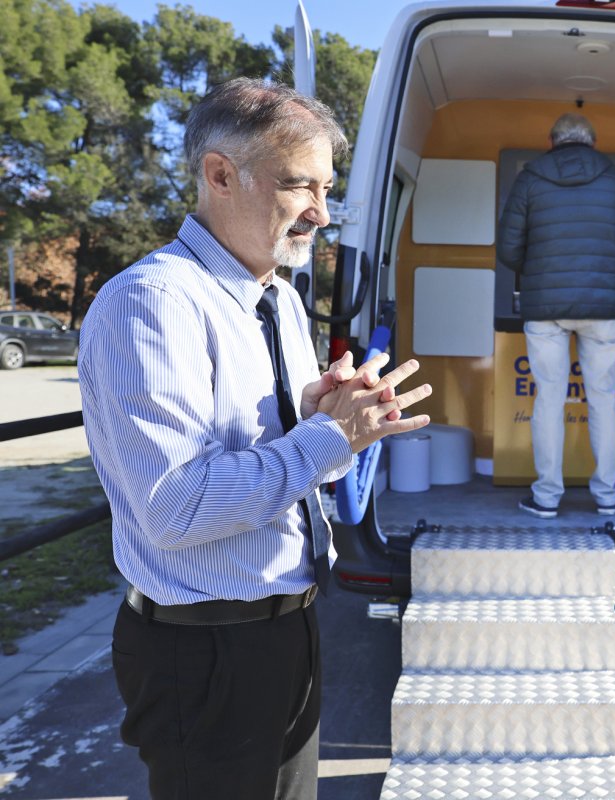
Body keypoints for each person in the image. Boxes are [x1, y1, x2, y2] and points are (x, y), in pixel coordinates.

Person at [78, 77, 432, 799]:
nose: (321, 214)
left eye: (327, 190)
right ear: (219, 176)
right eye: (301, 186)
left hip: (288, 628)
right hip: (203, 652)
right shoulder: (154, 305)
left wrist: (322, 422)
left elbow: (303, 472)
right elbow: (176, 508)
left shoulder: (278, 299)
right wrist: (328, 437)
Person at [496, 112, 615, 518]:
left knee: (548, 397)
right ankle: (608, 495)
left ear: (552, 141)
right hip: (604, 309)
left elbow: (508, 250)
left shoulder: (530, 178)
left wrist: (538, 268)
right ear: (592, 142)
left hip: (544, 308)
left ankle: (546, 497)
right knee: (604, 399)